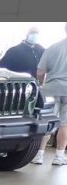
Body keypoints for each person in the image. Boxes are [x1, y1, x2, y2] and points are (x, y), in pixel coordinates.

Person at [32, 23, 67, 166]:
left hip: (50, 89)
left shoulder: (53, 47)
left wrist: (41, 84)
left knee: (47, 121)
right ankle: (59, 156)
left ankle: (39, 155)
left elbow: (40, 72)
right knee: (64, 124)